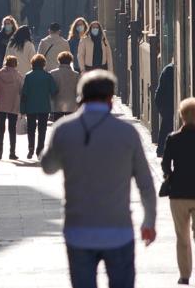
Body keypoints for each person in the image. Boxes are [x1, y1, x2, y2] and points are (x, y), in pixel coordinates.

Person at [41, 70, 157, 288]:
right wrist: (149, 221)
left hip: (78, 230)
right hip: (118, 231)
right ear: (110, 98)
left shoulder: (64, 129)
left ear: (81, 96)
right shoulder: (127, 133)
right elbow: (146, 183)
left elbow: (48, 167)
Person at [162, 97, 195, 285]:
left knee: (182, 237)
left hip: (179, 193)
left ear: (182, 117)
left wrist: (170, 176)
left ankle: (185, 275)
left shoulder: (173, 139)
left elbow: (166, 165)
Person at [20, 54, 57, 159]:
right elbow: (54, 90)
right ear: (43, 64)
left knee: (31, 128)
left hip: (30, 107)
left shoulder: (28, 76)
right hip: (44, 107)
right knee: (42, 129)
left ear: (32, 63)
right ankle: (40, 150)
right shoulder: (48, 76)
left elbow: (24, 94)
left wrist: (22, 109)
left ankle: (31, 147)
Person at [0, 56, 23, 160]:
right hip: (13, 104)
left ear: (5, 63)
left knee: (0, 129)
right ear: (15, 64)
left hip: (0, 104)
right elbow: (22, 89)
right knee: (12, 129)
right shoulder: (18, 76)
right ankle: (12, 152)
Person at [50, 52, 80, 121]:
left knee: (57, 127)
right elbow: (78, 91)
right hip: (72, 105)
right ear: (70, 61)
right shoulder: (76, 75)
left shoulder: (53, 73)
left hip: (57, 104)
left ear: (59, 60)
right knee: (71, 126)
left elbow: (51, 90)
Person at [155, 62, 175, 157]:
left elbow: (158, 95)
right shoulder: (169, 70)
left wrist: (163, 111)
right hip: (168, 108)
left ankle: (162, 151)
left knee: (165, 130)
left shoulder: (167, 69)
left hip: (167, 108)